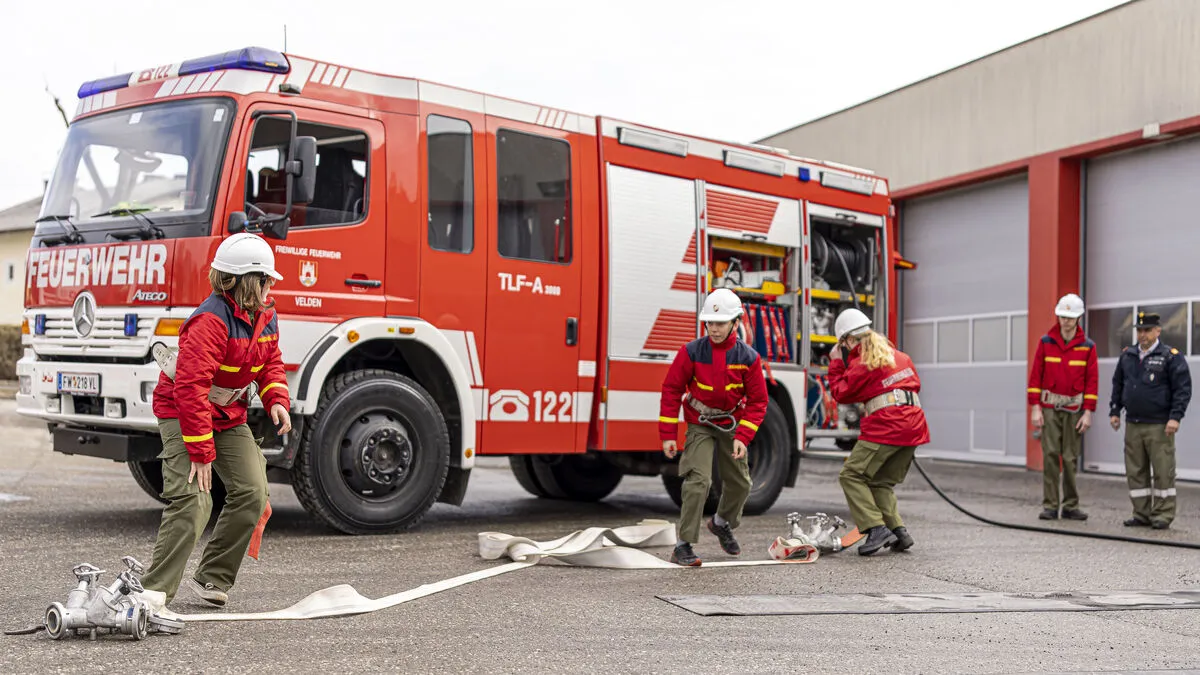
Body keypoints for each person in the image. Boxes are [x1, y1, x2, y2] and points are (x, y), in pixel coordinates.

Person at [139, 232, 293, 608]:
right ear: (247, 282)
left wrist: (276, 398)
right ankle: (152, 593)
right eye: (267, 280)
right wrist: (201, 451)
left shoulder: (266, 316)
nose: (272, 286)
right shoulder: (210, 320)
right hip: (183, 412)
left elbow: (270, 362)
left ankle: (212, 578)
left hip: (226, 415)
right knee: (194, 501)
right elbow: (189, 389)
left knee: (253, 494)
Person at [659, 288, 768, 567]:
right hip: (700, 423)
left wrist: (743, 436)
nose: (714, 328)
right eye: (709, 322)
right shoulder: (691, 352)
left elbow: (758, 402)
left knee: (741, 483)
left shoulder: (749, 358)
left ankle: (721, 523)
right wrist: (668, 435)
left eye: (720, 323)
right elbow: (672, 390)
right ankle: (683, 545)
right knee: (699, 481)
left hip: (731, 424)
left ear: (736, 322)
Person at [827, 308, 930, 556]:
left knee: (851, 475)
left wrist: (835, 363)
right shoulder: (900, 357)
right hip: (914, 427)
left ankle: (875, 528)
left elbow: (842, 393)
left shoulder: (863, 362)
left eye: (844, 345)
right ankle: (899, 531)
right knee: (880, 482)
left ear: (849, 340)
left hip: (887, 426)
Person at [1110, 311, 1192, 530]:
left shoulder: (1170, 356)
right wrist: (1115, 411)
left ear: (1158, 330)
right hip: (1133, 423)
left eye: (1147, 330)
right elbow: (1118, 385)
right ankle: (1141, 513)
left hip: (1159, 425)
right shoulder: (1127, 355)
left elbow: (1182, 390)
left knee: (1163, 471)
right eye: (1139, 330)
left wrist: (1175, 417)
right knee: (1136, 471)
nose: (1142, 335)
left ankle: (1163, 514)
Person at [1026, 293, 1098, 521]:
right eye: (1062, 317)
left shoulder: (1087, 347)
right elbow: (1036, 376)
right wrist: (1035, 408)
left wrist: (1088, 412)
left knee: (1069, 457)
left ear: (1078, 318)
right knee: (1050, 455)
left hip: (1074, 411)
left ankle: (1070, 506)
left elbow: (1092, 381)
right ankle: (1050, 505)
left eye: (1070, 317)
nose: (1065, 321)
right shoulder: (1046, 343)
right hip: (1048, 408)